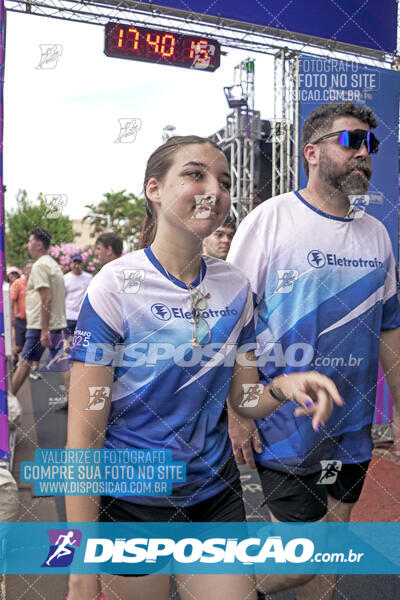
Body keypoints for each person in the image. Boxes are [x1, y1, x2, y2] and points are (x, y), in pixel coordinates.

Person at [66, 135, 342, 600]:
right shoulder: (115, 285)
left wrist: (284, 386)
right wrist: (80, 570)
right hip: (132, 500)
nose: (214, 189)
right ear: (154, 189)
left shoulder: (236, 286)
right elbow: (84, 435)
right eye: (195, 175)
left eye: (225, 181)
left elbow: (244, 400)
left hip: (214, 495)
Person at [227, 102, 400, 600]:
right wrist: (236, 411)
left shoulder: (376, 234)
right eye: (351, 142)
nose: (364, 153)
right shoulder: (270, 221)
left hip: (352, 426)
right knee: (301, 560)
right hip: (285, 423)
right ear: (312, 152)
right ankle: (224, 589)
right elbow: (232, 322)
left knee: (332, 546)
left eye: (371, 144)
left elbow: (390, 328)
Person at [12, 228, 67, 394]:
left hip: (40, 326)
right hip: (55, 323)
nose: (28, 245)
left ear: (39, 245)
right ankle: (76, 405)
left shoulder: (39, 266)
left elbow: (47, 298)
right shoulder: (53, 265)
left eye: (30, 241)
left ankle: (5, 405)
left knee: (24, 363)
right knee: (63, 364)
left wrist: (44, 330)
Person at [9, 261, 33, 368]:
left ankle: (23, 365)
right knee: (19, 346)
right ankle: (13, 359)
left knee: (29, 345)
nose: (31, 271)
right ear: (24, 270)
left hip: (33, 320)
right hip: (20, 319)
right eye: (29, 268)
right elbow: (12, 301)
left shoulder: (36, 283)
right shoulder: (18, 283)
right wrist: (12, 316)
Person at [64, 254, 92, 340]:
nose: (77, 265)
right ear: (70, 264)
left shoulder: (89, 277)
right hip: (69, 316)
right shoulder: (65, 278)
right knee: (68, 345)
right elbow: (62, 298)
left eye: (79, 263)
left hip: (83, 317)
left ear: (82, 264)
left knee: (81, 345)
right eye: (74, 263)